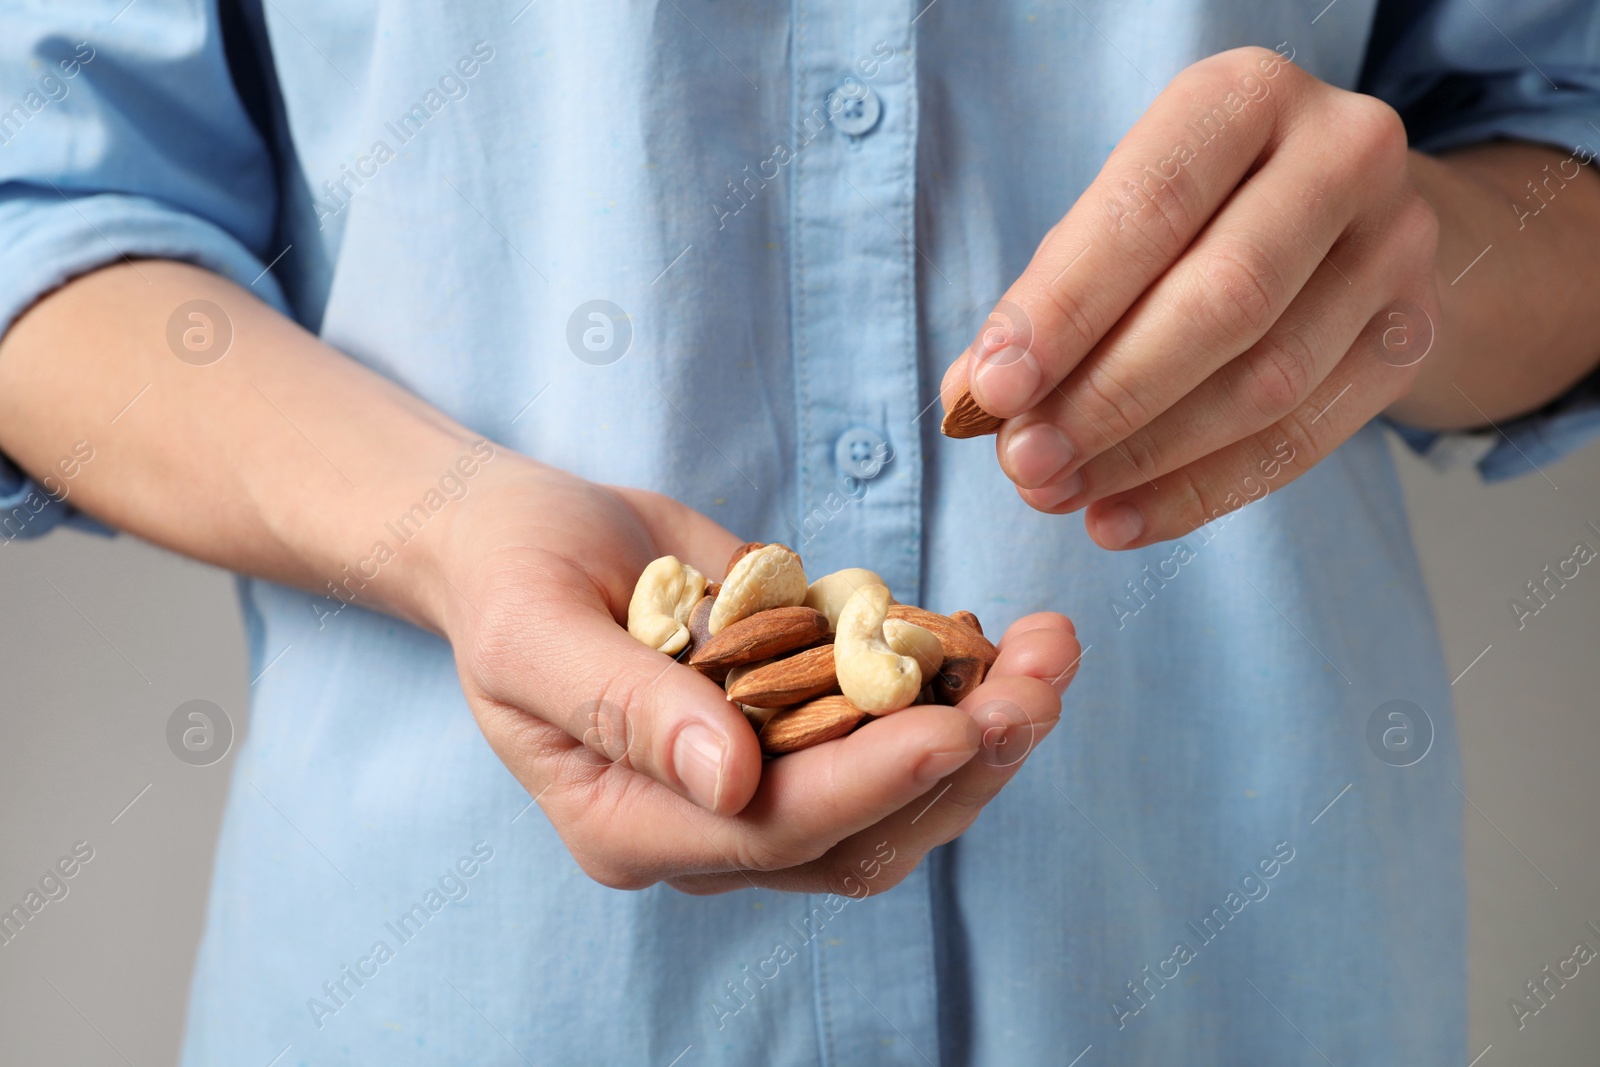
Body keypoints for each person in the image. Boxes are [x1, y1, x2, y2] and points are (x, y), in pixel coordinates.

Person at [2, 0, 1597, 1062]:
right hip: (453, 988)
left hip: (1227, 953)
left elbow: (1566, 147)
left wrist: (1416, 261)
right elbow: (46, 224)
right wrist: (448, 530)